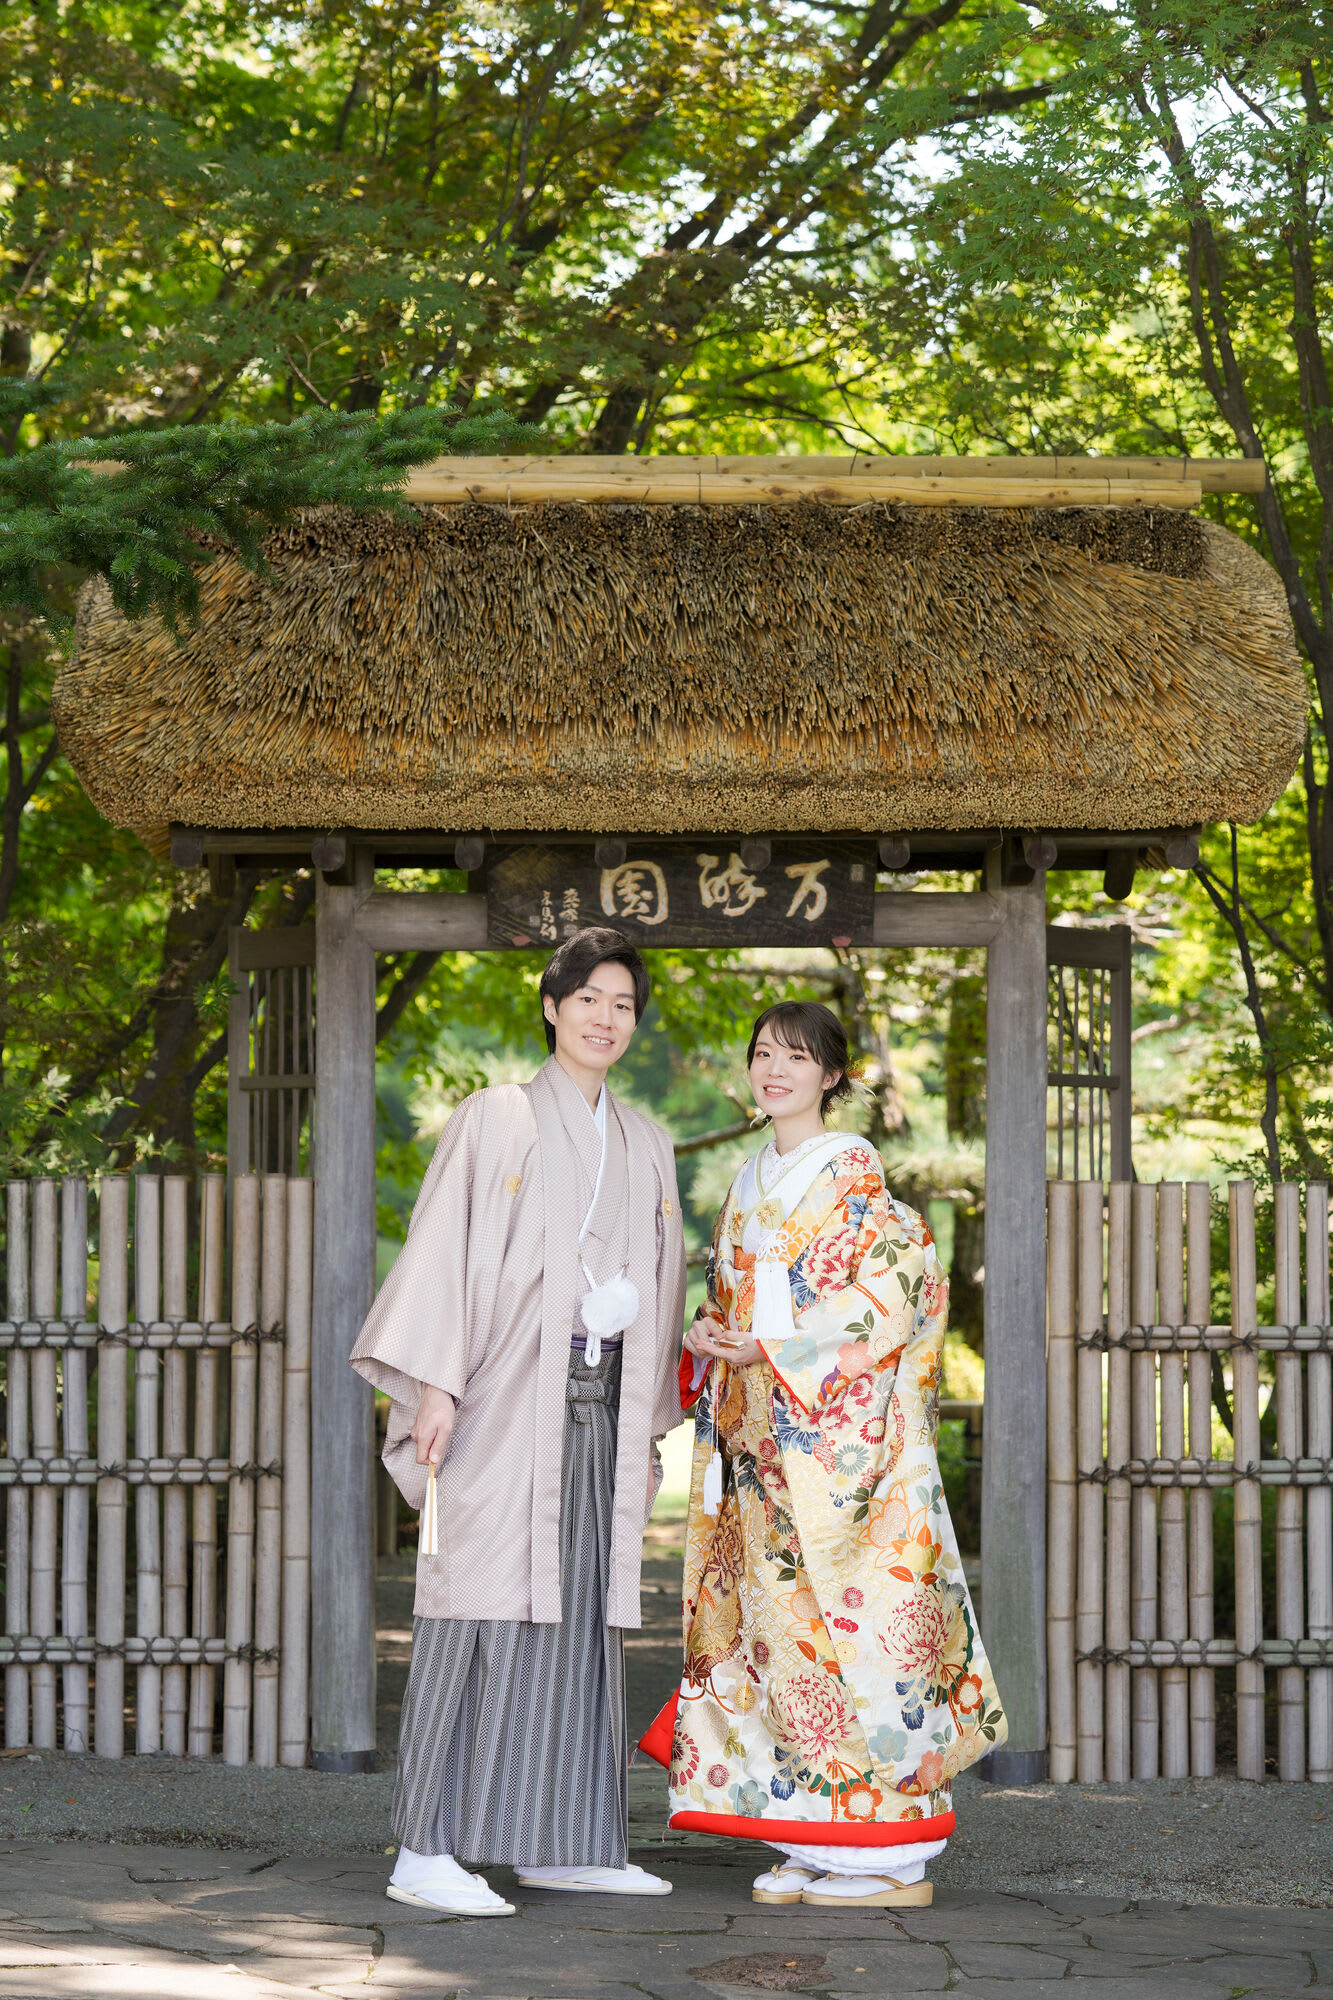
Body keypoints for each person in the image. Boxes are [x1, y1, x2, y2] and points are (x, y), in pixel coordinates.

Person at [351, 927, 687, 1917]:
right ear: (550, 1007)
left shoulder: (646, 1138)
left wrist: (647, 1409)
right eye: (587, 999)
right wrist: (436, 1386)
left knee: (582, 1611)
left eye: (622, 1005)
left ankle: (564, 1841)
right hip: (501, 1397)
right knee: (478, 1600)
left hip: (600, 1403)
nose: (605, 1018)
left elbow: (661, 1279)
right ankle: (425, 1847)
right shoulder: (497, 1116)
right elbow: (443, 1249)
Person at [645, 1001, 1006, 1909]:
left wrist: (772, 1347)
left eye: (797, 1057)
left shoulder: (853, 1174)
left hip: (838, 1452)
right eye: (764, 1053)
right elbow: (730, 1299)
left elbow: (891, 1292)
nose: (775, 1070)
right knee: (779, 1644)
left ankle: (889, 1857)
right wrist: (709, 1334)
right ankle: (810, 1836)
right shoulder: (747, 1178)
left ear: (832, 1075)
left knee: (858, 1641)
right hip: (759, 1447)